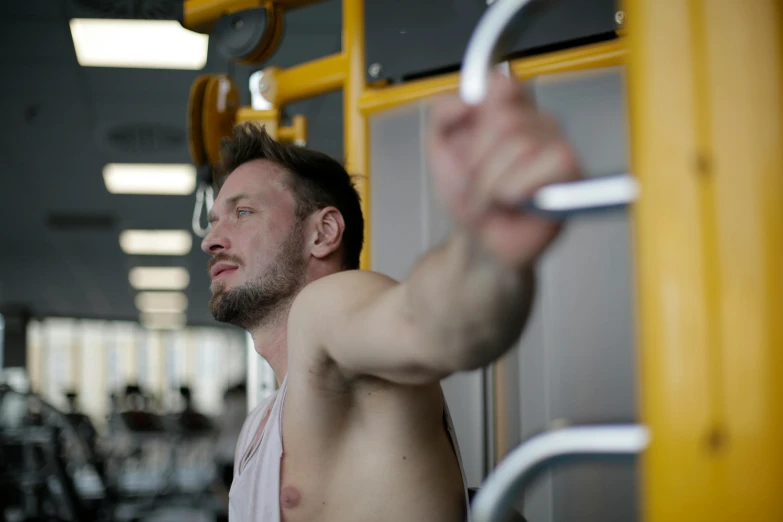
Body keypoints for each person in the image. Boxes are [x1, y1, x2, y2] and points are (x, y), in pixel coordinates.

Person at [201, 73, 581, 522]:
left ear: (322, 233)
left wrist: (488, 248)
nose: (211, 240)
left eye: (242, 213)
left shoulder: (325, 310)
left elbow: (429, 326)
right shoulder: (256, 429)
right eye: (213, 221)